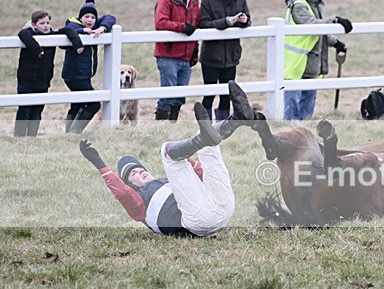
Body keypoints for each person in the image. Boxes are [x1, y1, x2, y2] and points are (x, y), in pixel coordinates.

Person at [78, 81, 256, 237]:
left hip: (224, 210)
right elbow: (122, 193)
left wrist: (189, 160)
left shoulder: (168, 182)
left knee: (205, 144)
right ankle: (205, 137)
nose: (140, 171)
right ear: (129, 184)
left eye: (140, 168)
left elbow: (203, 174)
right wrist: (98, 163)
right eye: (133, 173)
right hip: (196, 224)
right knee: (166, 151)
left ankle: (237, 119)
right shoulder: (139, 202)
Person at [283, 0, 352, 120]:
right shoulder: (299, 5)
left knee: (308, 101)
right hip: (296, 61)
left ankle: (304, 129)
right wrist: (335, 20)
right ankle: (289, 128)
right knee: (292, 101)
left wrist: (336, 43)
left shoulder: (315, 5)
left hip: (311, 60)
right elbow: (311, 26)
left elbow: (321, 31)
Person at [14, 10, 83, 137]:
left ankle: (31, 138)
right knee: (24, 110)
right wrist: (37, 50)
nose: (46, 26)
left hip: (43, 80)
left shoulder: (52, 35)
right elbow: (22, 34)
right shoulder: (28, 33)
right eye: (42, 23)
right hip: (27, 80)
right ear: (34, 24)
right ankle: (19, 138)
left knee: (37, 111)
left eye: (47, 22)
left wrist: (77, 44)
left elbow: (67, 31)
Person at [199, 0, 251, 122]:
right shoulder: (208, 1)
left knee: (226, 95)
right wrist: (226, 22)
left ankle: (222, 125)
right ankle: (205, 125)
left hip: (231, 56)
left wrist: (244, 20)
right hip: (211, 57)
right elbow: (204, 24)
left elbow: (248, 21)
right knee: (209, 94)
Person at [61, 0, 117, 133]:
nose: (90, 20)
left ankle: (69, 134)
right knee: (94, 104)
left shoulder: (94, 26)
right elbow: (69, 29)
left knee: (77, 104)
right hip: (75, 75)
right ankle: (75, 132)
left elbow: (111, 18)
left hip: (84, 75)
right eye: (86, 16)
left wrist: (102, 28)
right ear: (80, 17)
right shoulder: (73, 25)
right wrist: (83, 31)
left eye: (93, 17)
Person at [154, 0, 201, 121]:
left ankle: (172, 124)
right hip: (168, 55)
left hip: (186, 56)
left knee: (180, 96)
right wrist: (181, 27)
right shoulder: (165, 0)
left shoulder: (194, 1)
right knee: (168, 93)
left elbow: (196, 25)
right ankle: (161, 125)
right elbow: (160, 23)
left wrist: (195, 49)